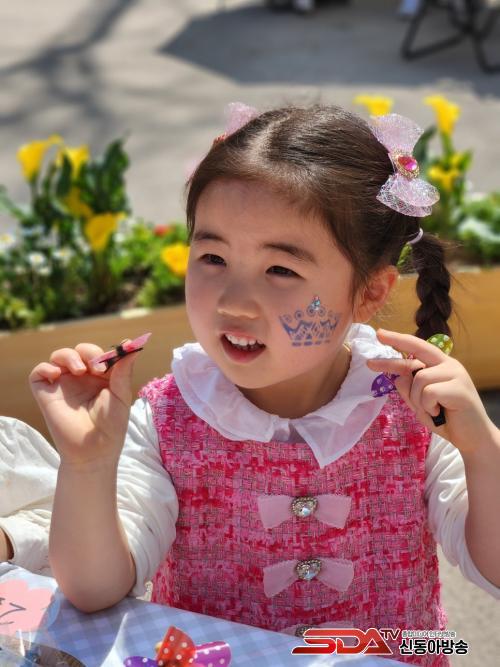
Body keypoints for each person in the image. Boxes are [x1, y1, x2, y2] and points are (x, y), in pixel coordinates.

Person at [20, 104, 500, 663]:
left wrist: (482, 449)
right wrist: (87, 464)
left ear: (370, 293)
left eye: (280, 270)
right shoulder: (166, 416)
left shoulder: (411, 409)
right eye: (213, 256)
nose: (233, 302)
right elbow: (94, 590)